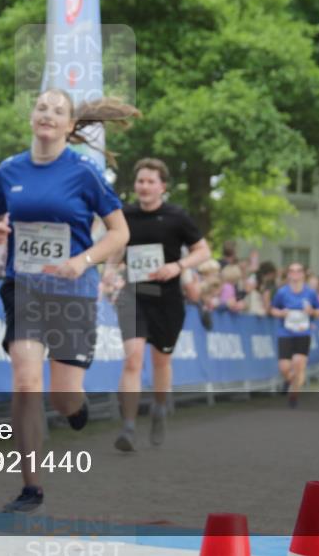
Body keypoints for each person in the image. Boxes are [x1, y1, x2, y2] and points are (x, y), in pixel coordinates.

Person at [0, 89, 132, 513]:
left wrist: (81, 261)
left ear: (70, 126)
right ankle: (32, 487)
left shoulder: (84, 172)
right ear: (32, 118)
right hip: (24, 286)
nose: (47, 114)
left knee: (63, 396)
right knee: (26, 380)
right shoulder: (9, 169)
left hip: (72, 291)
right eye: (41, 107)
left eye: (58, 110)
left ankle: (76, 407)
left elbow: (119, 233)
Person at [104, 158, 210, 451]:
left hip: (167, 299)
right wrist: (110, 270)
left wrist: (177, 266)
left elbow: (203, 251)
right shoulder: (124, 215)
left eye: (151, 181)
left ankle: (160, 406)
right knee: (133, 358)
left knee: (161, 360)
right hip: (134, 294)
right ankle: (128, 426)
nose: (145, 186)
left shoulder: (177, 217)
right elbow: (116, 248)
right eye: (140, 181)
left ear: (163, 186)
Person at [270, 262, 319, 408]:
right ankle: (289, 380)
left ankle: (294, 395)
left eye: (298, 271)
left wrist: (312, 311)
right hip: (285, 332)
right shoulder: (282, 292)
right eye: (292, 271)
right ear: (288, 275)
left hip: (303, 332)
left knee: (299, 364)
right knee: (284, 367)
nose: (295, 274)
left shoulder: (310, 293)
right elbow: (273, 309)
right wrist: (281, 313)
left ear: (303, 274)